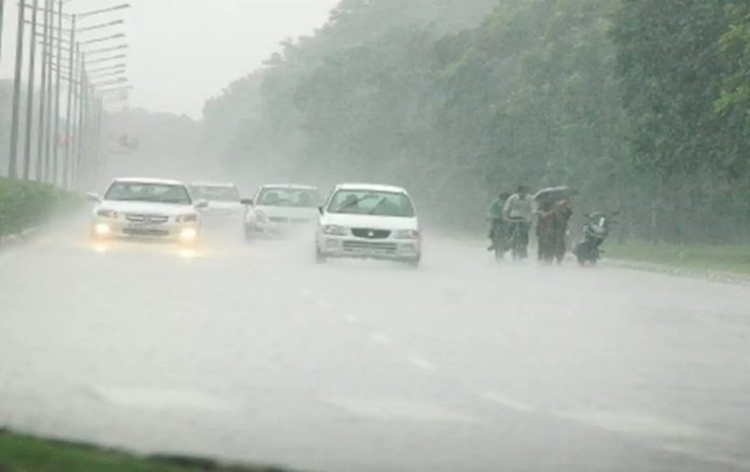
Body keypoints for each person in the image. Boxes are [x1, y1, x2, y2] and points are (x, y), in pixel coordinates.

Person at [503, 185, 535, 257]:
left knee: (524, 232)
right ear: (518, 192)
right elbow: (506, 208)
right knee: (509, 230)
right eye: (521, 192)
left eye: (524, 192)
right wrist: (505, 217)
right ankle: (507, 243)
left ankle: (524, 247)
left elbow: (533, 209)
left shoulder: (530, 198)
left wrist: (531, 219)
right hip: (513, 217)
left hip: (525, 218)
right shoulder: (512, 198)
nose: (522, 194)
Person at [552, 199, 573, 264]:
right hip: (557, 230)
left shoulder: (566, 213)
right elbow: (553, 222)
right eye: (563, 205)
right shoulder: (555, 213)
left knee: (562, 245)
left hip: (563, 231)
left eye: (565, 205)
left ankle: (560, 258)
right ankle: (557, 258)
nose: (563, 207)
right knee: (557, 245)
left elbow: (570, 213)